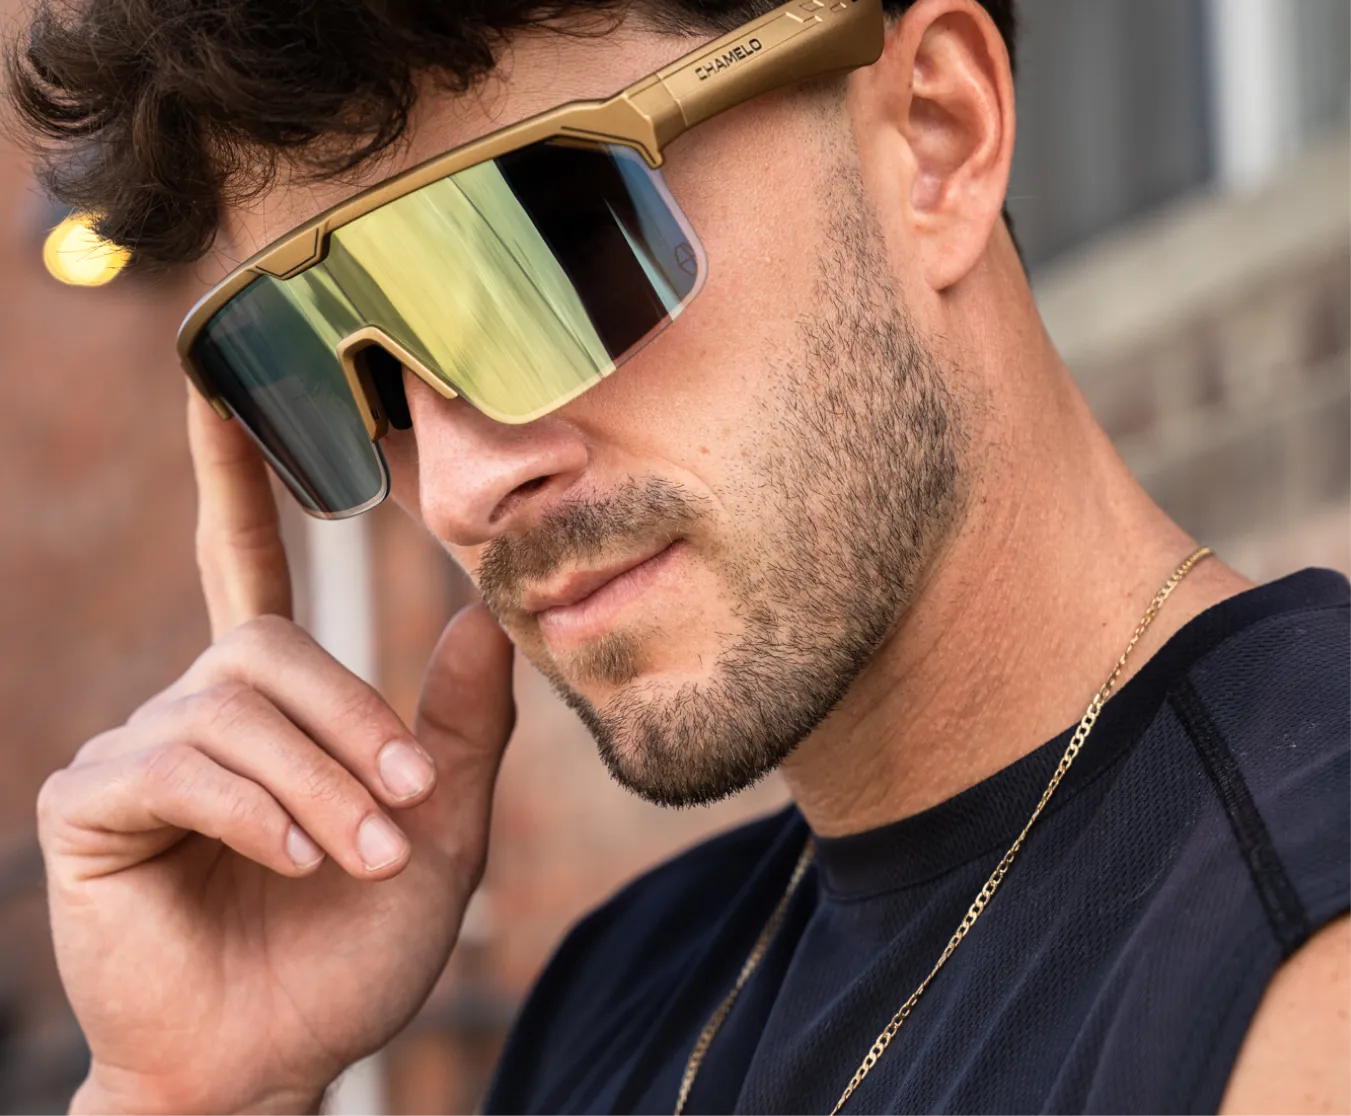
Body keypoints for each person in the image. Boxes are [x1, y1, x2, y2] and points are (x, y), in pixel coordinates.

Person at [9, 0, 1351, 1112]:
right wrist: (191, 1093)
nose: (463, 487)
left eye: (546, 253)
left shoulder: (1299, 954)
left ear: (936, 135)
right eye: (326, 364)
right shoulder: (617, 997)